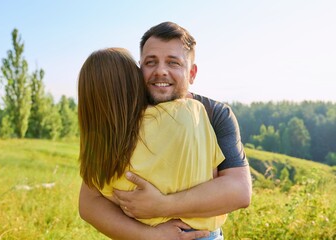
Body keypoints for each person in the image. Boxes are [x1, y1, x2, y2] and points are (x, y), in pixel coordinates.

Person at [79, 22, 252, 240]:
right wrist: (150, 235)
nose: (161, 71)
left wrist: (162, 205)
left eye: (173, 62)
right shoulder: (122, 113)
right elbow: (89, 202)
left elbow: (239, 191)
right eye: (151, 62)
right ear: (139, 68)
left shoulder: (212, 113)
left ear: (192, 73)